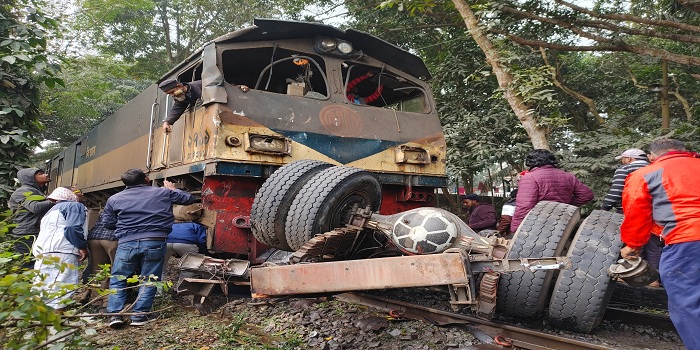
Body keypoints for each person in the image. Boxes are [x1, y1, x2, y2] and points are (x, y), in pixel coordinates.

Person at [619, 139, 700, 349]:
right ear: (685, 151)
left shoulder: (645, 174)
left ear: (651, 157)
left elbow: (637, 213)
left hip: (687, 242)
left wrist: (633, 245)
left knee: (687, 304)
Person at [102, 169, 195, 327]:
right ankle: (139, 316)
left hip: (126, 242)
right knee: (150, 278)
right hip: (154, 240)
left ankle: (115, 315)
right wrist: (172, 189)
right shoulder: (162, 193)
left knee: (118, 278)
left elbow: (108, 223)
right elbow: (188, 198)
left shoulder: (114, 199)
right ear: (146, 179)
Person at [601, 148, 661, 276]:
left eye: (622, 159)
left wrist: (604, 208)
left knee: (628, 245)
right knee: (652, 247)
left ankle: (630, 276)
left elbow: (616, 192)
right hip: (657, 214)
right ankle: (653, 279)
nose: (622, 162)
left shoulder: (624, 170)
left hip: (629, 212)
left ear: (629, 159)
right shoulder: (656, 168)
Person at [510, 149, 594, 234]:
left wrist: (516, 228)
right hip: (564, 220)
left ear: (530, 162)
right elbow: (587, 195)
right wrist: (566, 205)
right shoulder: (568, 176)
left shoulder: (529, 178)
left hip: (539, 223)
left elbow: (524, 206)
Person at [32, 187, 88, 310]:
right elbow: (72, 228)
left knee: (43, 285)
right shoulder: (74, 206)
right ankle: (55, 322)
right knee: (63, 286)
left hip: (42, 252)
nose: (82, 194)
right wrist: (82, 246)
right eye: (78, 192)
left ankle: (40, 320)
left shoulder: (50, 210)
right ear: (69, 195)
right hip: (63, 251)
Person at [159, 79, 249, 133]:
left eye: (172, 92)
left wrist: (238, 88)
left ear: (179, 86)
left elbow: (224, 86)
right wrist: (167, 122)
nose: (172, 95)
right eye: (169, 94)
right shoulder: (180, 96)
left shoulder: (202, 84)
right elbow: (177, 108)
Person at [8, 168, 54, 267]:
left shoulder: (35, 190)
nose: (45, 175)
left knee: (36, 264)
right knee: (28, 265)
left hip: (33, 232)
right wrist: (53, 201)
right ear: (30, 178)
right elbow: (35, 207)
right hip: (27, 234)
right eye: (41, 174)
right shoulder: (23, 191)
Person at [85, 211, 118, 311]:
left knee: (98, 270)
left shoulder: (106, 208)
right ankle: (108, 300)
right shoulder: (126, 207)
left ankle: (96, 300)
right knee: (115, 269)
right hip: (112, 238)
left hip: (94, 237)